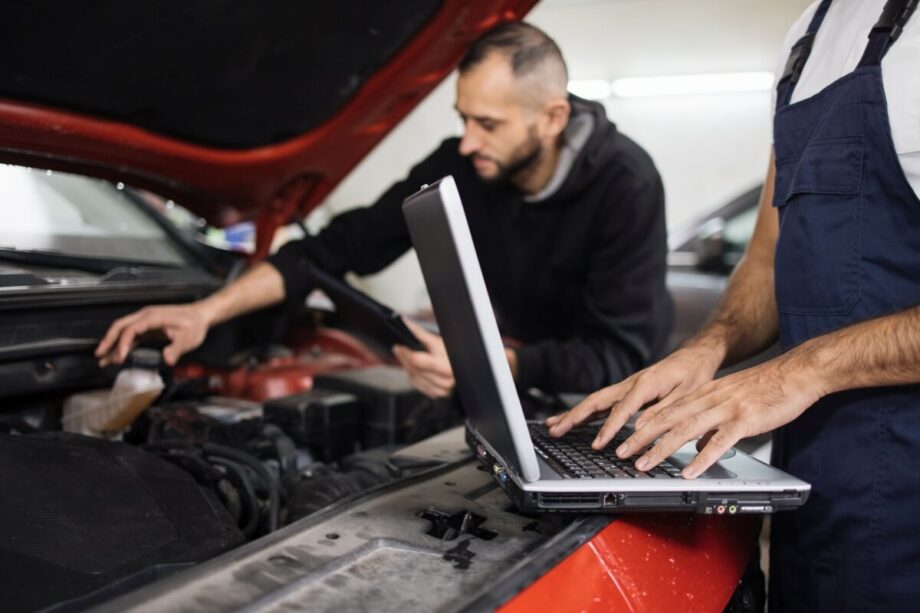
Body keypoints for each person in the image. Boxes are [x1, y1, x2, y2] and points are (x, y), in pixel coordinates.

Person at [548, 0, 920, 610]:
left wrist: (804, 368)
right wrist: (706, 349)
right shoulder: (806, 36)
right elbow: (770, 256)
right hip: (813, 492)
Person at [96, 21, 672, 398]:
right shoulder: (464, 164)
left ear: (550, 119)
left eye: (488, 124)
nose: (467, 141)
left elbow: (617, 354)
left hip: (601, 395)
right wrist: (205, 313)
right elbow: (332, 250)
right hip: (509, 370)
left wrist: (490, 363)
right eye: (463, 118)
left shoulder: (628, 184)